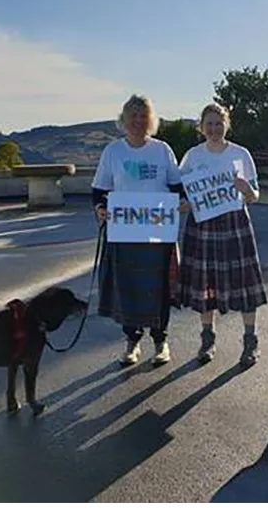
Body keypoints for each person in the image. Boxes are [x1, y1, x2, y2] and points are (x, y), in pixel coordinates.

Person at [92, 95, 186, 366]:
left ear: (150, 120)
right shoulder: (113, 152)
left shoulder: (162, 150)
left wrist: (181, 201)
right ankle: (131, 343)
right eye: (133, 115)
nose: (138, 121)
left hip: (158, 233)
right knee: (128, 289)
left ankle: (161, 342)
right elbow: (99, 190)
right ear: (124, 119)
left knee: (159, 288)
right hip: (125, 233)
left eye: (143, 115)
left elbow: (176, 185)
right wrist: (100, 208)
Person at [176, 103, 268, 368]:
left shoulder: (241, 154)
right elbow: (185, 195)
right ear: (201, 127)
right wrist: (185, 204)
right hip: (202, 224)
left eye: (219, 123)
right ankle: (207, 340)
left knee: (244, 283)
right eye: (209, 124)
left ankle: (250, 342)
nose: (214, 128)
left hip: (234, 222)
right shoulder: (192, 157)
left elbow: (255, 196)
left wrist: (247, 189)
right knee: (206, 283)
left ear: (227, 124)